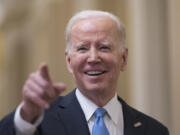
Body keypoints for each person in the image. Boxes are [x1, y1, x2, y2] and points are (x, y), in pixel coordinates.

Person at [0, 10, 169, 135]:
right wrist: (27, 112)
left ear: (123, 59)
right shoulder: (38, 122)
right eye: (82, 48)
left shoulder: (154, 130)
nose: (93, 58)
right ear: (69, 62)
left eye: (104, 47)